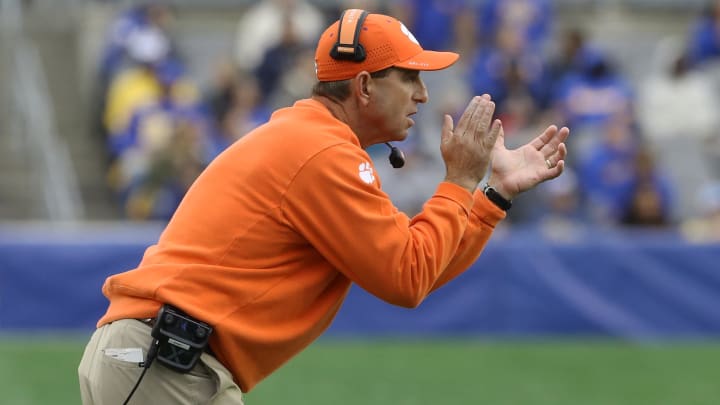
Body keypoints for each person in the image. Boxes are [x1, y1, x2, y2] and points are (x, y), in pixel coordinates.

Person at [78, 9, 569, 404]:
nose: (423, 93)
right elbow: (408, 276)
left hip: (171, 364)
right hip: (164, 363)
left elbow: (416, 262)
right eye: (410, 77)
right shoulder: (323, 153)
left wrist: (491, 197)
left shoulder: (321, 143)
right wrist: (461, 180)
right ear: (364, 87)